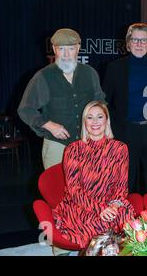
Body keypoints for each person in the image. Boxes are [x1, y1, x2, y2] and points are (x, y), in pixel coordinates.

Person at [18, 28, 105, 169]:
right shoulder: (43, 76)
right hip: (57, 145)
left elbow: (100, 102)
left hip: (88, 142)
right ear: (54, 49)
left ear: (78, 48)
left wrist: (100, 127)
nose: (66, 54)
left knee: (89, 187)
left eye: (70, 48)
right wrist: (49, 125)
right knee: (56, 188)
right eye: (61, 48)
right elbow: (25, 109)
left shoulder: (90, 73)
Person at [52, 100, 135, 249]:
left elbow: (121, 186)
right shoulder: (73, 149)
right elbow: (74, 190)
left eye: (99, 117)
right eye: (89, 117)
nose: (95, 122)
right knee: (99, 226)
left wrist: (115, 206)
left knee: (126, 219)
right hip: (81, 205)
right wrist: (100, 209)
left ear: (107, 120)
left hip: (112, 203)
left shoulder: (120, 148)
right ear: (84, 122)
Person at [103, 23, 147, 194]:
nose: (139, 44)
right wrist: (110, 131)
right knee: (125, 180)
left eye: (144, 40)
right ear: (128, 43)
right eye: (135, 40)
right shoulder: (114, 67)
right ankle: (126, 218)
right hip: (125, 131)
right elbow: (105, 102)